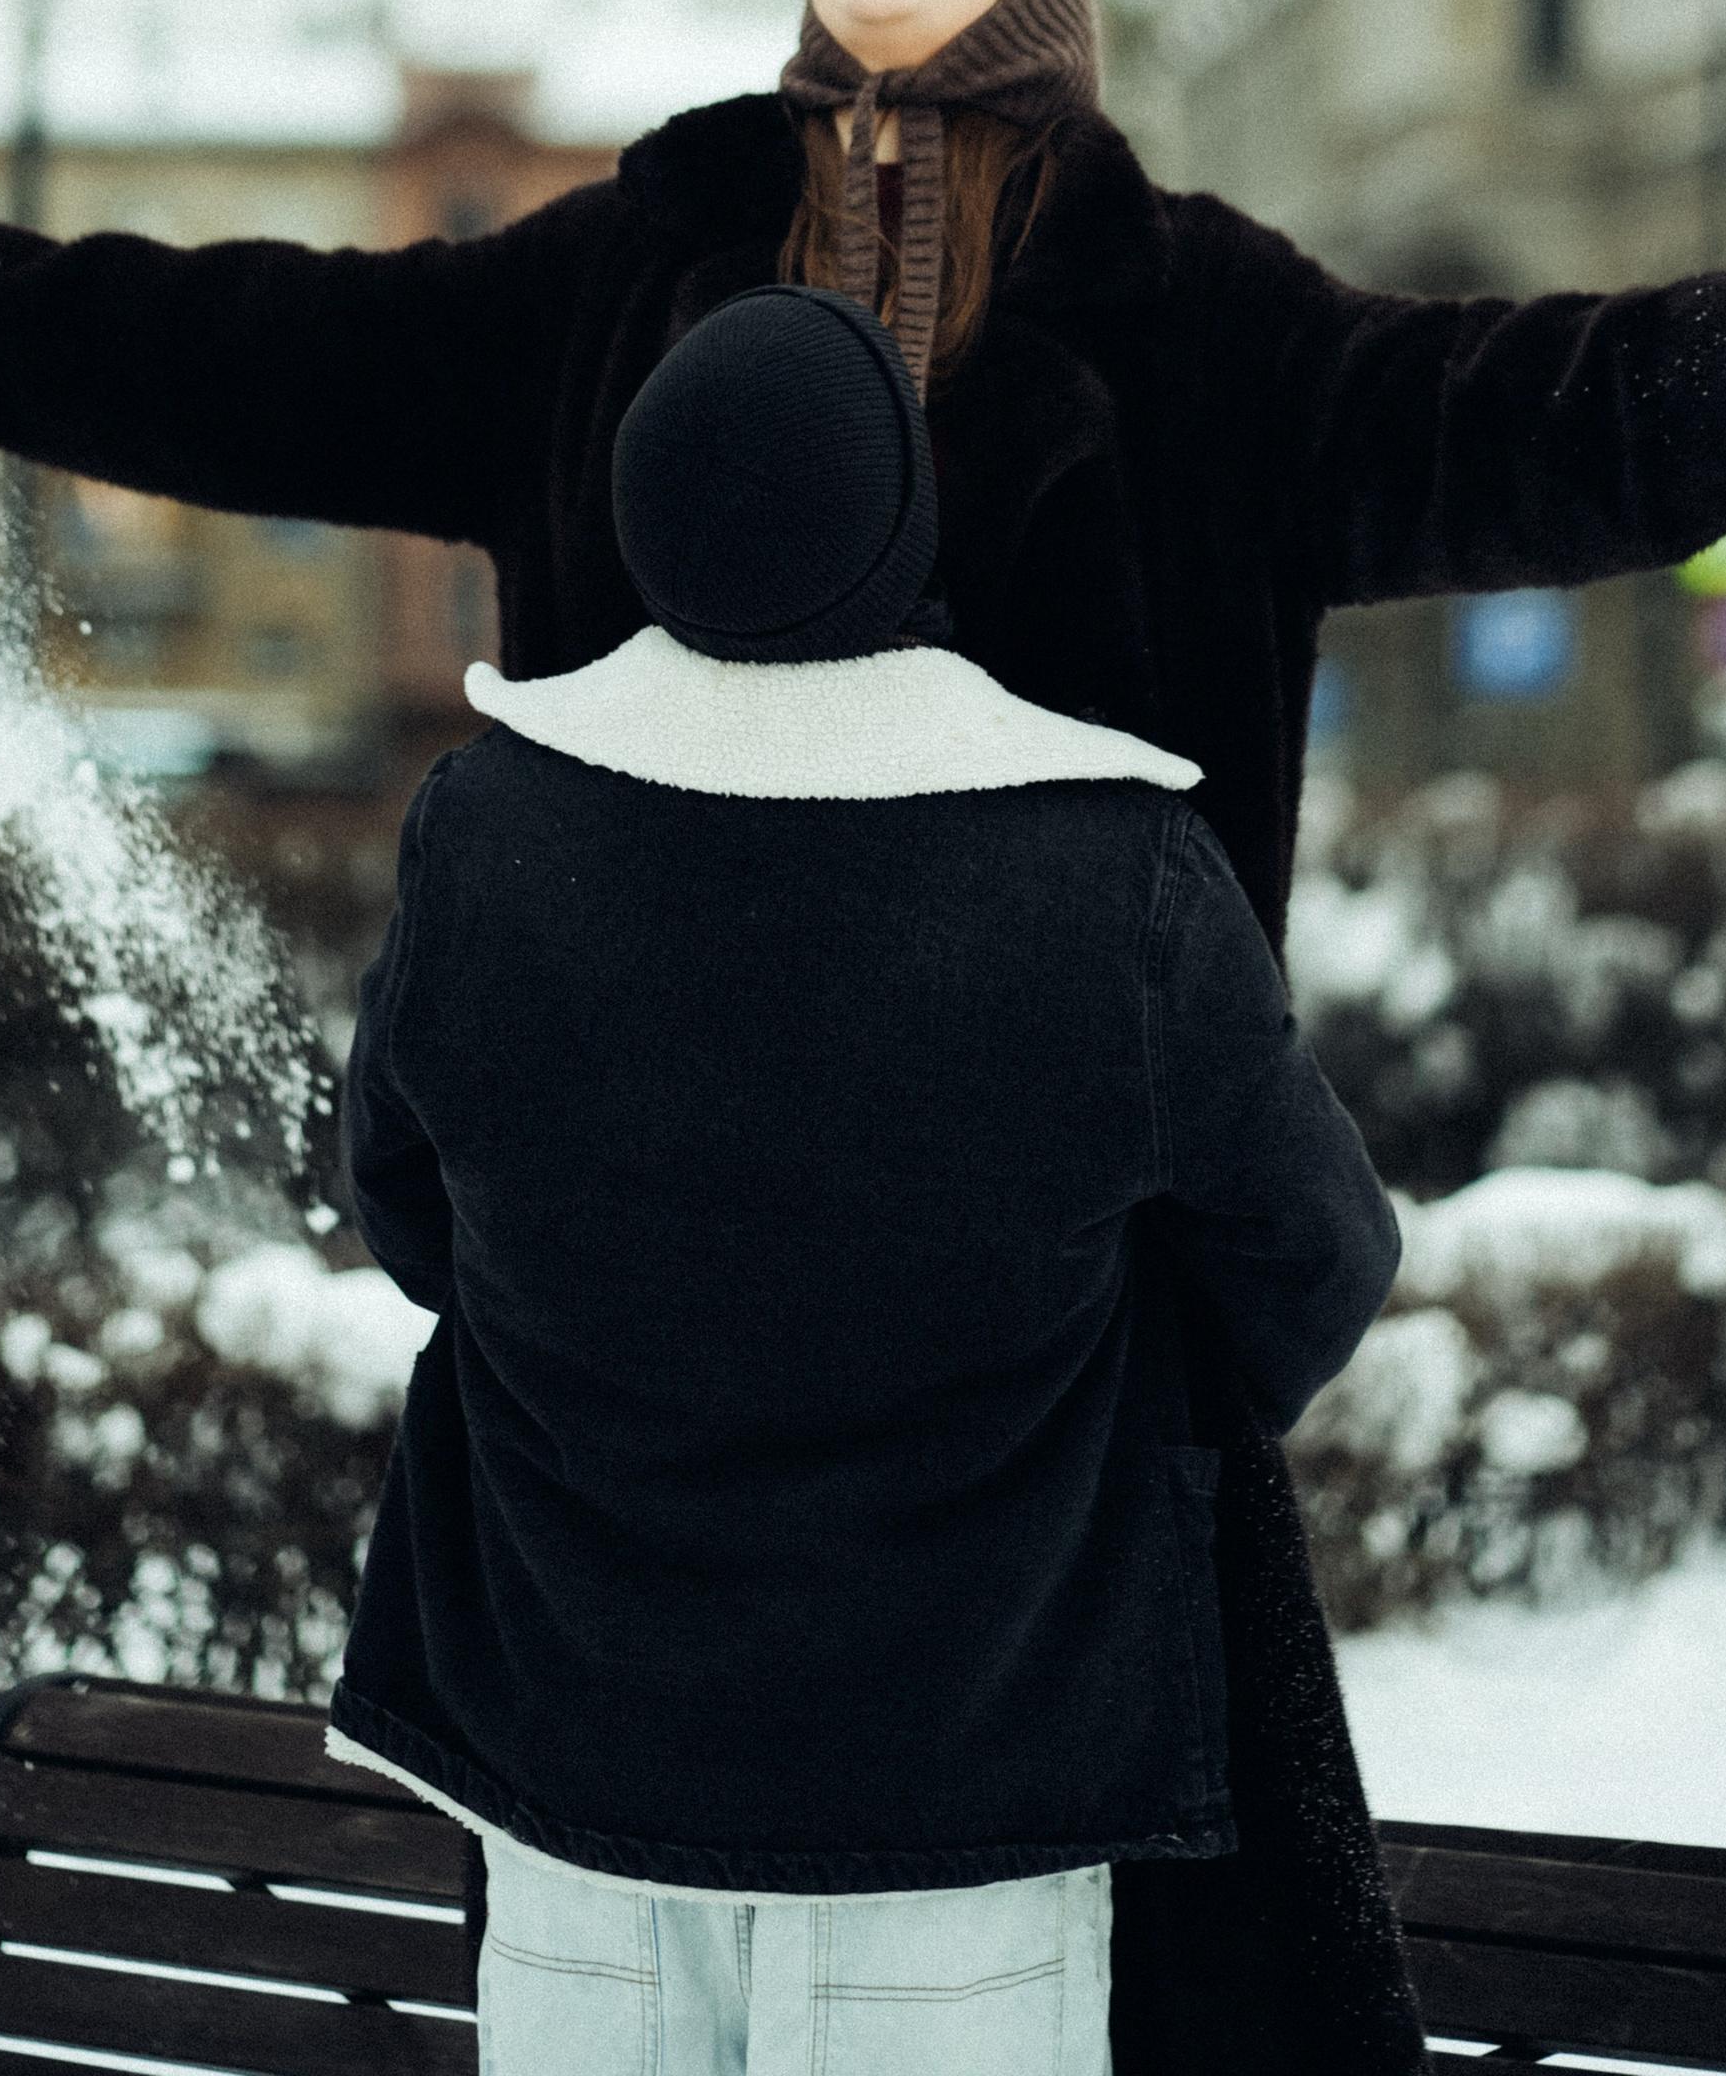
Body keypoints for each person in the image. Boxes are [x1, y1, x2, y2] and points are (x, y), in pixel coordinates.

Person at [0, 0, 1726, 2074]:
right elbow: (234, 346)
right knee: (634, 1911)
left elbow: (1518, 411)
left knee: (1188, 1973)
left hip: (1057, 1283)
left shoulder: (1200, 323)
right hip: (652, 1302)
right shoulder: (621, 274)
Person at [331, 278, 1402, 2076]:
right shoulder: (1110, 870)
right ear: (906, 518)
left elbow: (410, 1211)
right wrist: (1104, 1413)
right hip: (971, 1782)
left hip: (573, 1765)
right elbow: (1316, 1255)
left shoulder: (490, 831)